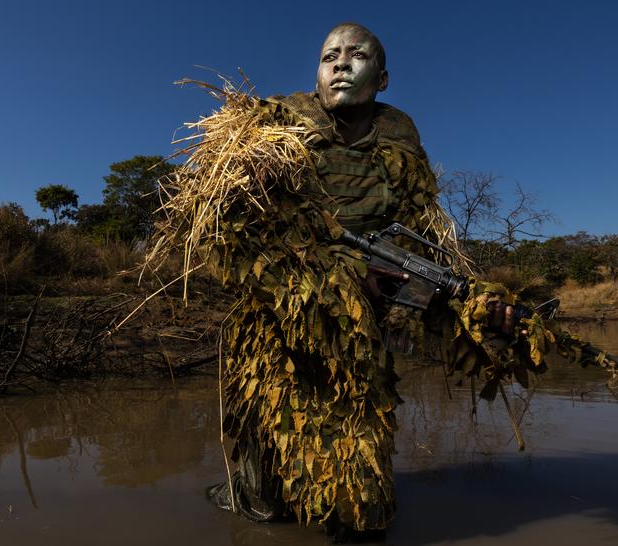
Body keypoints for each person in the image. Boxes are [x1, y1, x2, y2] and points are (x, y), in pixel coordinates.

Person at [199, 22, 523, 540]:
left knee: (356, 460)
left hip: (363, 323)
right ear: (317, 72)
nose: (342, 63)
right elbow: (229, 233)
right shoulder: (276, 130)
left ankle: (354, 517)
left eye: (358, 55)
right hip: (279, 316)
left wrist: (421, 306)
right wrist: (335, 273)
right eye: (330, 55)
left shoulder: (399, 143)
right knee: (265, 464)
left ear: (384, 77)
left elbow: (419, 244)